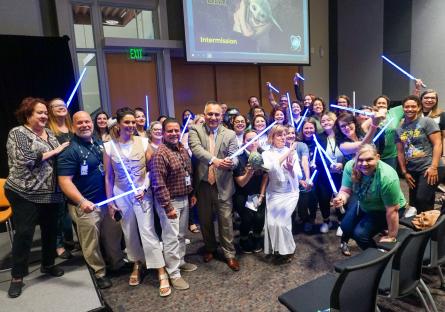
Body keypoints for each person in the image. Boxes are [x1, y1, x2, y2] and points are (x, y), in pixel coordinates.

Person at [104, 107, 172, 294]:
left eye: (133, 122)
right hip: (121, 193)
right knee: (129, 231)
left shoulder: (143, 143)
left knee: (148, 230)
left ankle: (160, 269)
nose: (131, 125)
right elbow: (108, 177)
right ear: (118, 124)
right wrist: (111, 202)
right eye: (127, 122)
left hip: (142, 193)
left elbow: (153, 169)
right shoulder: (109, 146)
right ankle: (137, 264)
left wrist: (144, 187)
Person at [5, 97, 69, 298]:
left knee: (50, 230)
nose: (44, 116)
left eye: (44, 113)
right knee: (24, 233)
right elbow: (25, 159)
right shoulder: (18, 133)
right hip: (24, 192)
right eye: (39, 113)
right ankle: (17, 277)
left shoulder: (49, 133)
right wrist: (57, 150)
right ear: (28, 114)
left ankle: (48, 264)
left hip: (50, 193)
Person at [58, 111, 126, 290]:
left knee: (113, 236)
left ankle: (117, 263)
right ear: (73, 126)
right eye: (79, 123)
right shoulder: (69, 151)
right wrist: (81, 201)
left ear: (92, 123)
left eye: (87, 122)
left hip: (107, 202)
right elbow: (65, 181)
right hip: (86, 206)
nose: (84, 125)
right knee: (91, 243)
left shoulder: (98, 144)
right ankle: (99, 272)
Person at [188, 101, 240, 271]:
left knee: (226, 221)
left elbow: (236, 156)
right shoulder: (195, 130)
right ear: (204, 115)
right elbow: (196, 149)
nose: (213, 117)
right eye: (210, 114)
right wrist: (216, 161)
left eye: (217, 114)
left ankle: (229, 254)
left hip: (223, 184)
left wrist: (231, 162)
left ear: (222, 116)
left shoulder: (230, 134)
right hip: (203, 184)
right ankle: (210, 248)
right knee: (205, 220)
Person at [151, 118, 199, 290]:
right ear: (163, 133)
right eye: (169, 131)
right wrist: (168, 206)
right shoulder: (160, 154)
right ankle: (173, 273)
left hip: (184, 197)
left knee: (180, 235)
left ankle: (180, 261)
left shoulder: (181, 149)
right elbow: (158, 183)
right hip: (170, 202)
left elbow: (188, 173)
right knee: (170, 238)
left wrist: (191, 193)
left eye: (176, 130)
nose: (173, 134)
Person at [332, 144, 405, 252]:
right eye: (360, 160)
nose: (364, 164)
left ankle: (376, 256)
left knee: (360, 235)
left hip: (385, 209)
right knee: (345, 227)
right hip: (364, 202)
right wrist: (341, 198)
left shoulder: (387, 177)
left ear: (378, 158)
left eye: (369, 159)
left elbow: (392, 211)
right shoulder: (350, 167)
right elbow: (345, 190)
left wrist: (391, 236)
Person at [396, 95, 444, 213]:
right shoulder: (399, 129)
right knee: (416, 202)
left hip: (429, 166)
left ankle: (429, 227)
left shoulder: (427, 121)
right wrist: (404, 172)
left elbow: (438, 144)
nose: (410, 109)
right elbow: (400, 152)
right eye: (407, 107)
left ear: (418, 108)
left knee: (422, 198)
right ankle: (426, 224)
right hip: (412, 168)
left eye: (413, 106)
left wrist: (433, 167)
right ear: (403, 108)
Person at [262, 124, 302, 263]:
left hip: (290, 193)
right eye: (279, 135)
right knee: (273, 224)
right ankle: (279, 249)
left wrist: (291, 169)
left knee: (282, 223)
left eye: (284, 135)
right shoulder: (266, 153)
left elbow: (299, 173)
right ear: (272, 138)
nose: (283, 137)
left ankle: (289, 250)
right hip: (274, 193)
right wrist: (288, 153)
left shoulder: (293, 152)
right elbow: (270, 168)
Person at [47, 98, 75, 260]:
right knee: (58, 212)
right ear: (50, 110)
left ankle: (69, 241)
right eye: (56, 106)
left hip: (73, 176)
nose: (61, 108)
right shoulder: (48, 131)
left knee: (69, 212)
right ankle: (58, 245)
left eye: (63, 106)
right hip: (55, 175)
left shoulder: (72, 128)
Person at [233, 130, 267, 254]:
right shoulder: (239, 157)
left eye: (255, 139)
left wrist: (262, 195)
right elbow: (241, 183)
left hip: (259, 192)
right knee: (247, 218)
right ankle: (244, 239)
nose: (253, 143)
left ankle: (257, 237)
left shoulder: (264, 155)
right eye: (249, 140)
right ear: (243, 142)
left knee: (259, 217)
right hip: (243, 193)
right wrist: (250, 172)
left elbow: (265, 176)